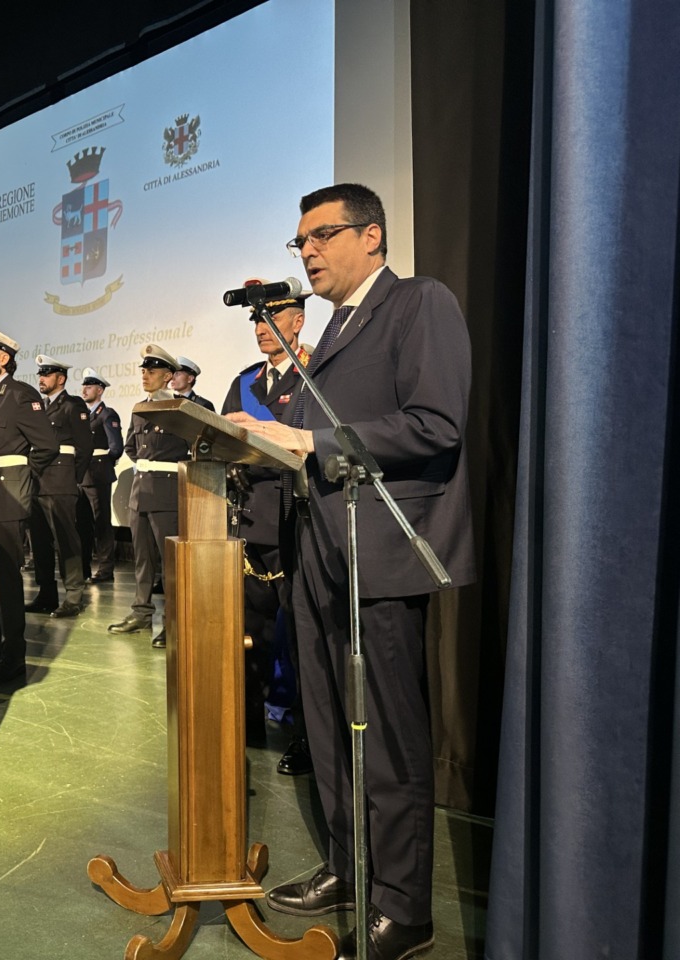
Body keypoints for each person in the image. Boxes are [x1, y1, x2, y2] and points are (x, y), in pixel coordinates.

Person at [229, 183, 475, 960]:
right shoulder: (329, 336)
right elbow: (308, 437)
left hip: (382, 552)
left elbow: (434, 423)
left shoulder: (417, 304)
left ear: (372, 237)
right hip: (319, 554)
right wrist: (263, 437)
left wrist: (311, 446)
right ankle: (348, 864)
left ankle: (405, 909)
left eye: (321, 235)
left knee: (391, 736)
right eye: (299, 241)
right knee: (331, 723)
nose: (306, 251)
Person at [221, 289, 313, 771]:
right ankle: (248, 725)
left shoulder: (316, 374)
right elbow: (221, 436)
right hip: (252, 522)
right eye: (256, 320)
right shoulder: (244, 382)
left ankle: (305, 737)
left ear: (296, 322)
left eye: (272, 317)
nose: (261, 327)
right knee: (249, 635)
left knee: (301, 641)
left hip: (298, 522)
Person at [0, 324, 58, 684]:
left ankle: (13, 655)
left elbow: (46, 446)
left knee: (5, 580)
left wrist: (23, 478)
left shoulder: (20, 395)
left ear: (3, 358)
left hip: (7, 498)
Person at [107, 345, 190, 649]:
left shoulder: (180, 408)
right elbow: (131, 446)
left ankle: (173, 621)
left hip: (167, 491)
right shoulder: (139, 408)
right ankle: (141, 613)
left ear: (168, 376)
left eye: (152, 371)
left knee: (170, 564)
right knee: (142, 560)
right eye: (143, 370)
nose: (145, 375)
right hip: (140, 493)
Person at [24, 354, 93, 617]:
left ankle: (73, 596)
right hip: (38, 481)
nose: (41, 378)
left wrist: (72, 479)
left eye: (46, 374)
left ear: (60, 379)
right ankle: (46, 595)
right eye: (40, 374)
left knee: (66, 540)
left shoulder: (73, 405)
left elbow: (84, 448)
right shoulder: (39, 407)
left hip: (61, 482)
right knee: (39, 542)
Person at [77, 368, 123, 583]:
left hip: (97, 475)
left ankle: (106, 569)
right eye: (84, 385)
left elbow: (116, 448)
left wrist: (102, 464)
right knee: (82, 525)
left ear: (100, 389)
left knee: (102, 524)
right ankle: (83, 569)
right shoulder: (82, 415)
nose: (84, 389)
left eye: (89, 385)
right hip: (80, 475)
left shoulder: (107, 414)